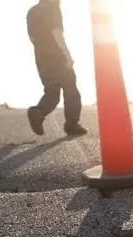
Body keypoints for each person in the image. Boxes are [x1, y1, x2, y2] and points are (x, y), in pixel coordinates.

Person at [26, 0, 87, 137]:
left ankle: (38, 112)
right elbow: (56, 32)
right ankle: (72, 125)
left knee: (52, 93)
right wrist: (67, 56)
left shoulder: (32, 11)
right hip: (57, 57)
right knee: (71, 90)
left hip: (41, 58)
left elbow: (32, 37)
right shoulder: (52, 8)